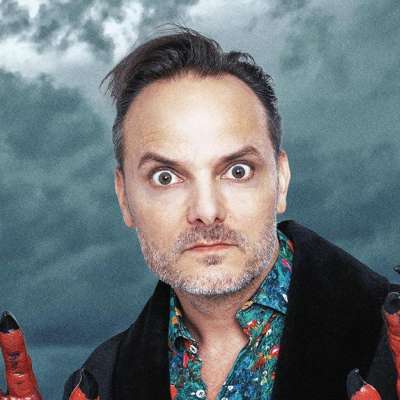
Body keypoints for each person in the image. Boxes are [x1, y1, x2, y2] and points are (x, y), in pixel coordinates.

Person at [0, 26, 397, 400]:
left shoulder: (385, 345)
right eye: (166, 177)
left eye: (237, 171)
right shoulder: (100, 382)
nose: (207, 211)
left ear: (281, 181)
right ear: (124, 197)